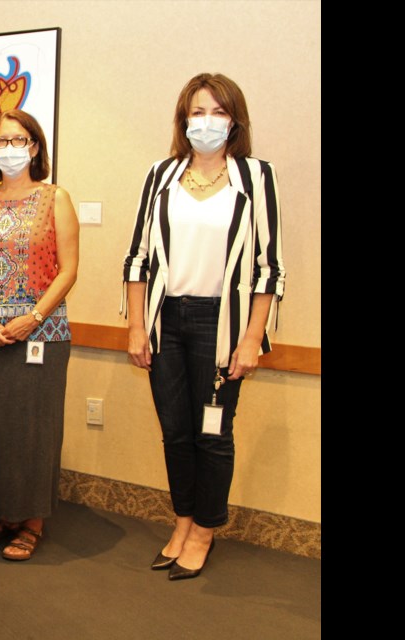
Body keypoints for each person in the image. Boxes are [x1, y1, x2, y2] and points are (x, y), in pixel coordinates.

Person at [123, 73, 285, 580]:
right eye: (198, 112)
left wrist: (253, 337)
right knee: (175, 433)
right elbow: (138, 258)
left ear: (234, 121)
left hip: (223, 323)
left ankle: (206, 530)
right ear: (183, 119)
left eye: (218, 112)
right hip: (164, 319)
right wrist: (135, 327)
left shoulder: (256, 177)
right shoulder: (161, 175)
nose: (207, 121)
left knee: (212, 433)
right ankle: (183, 521)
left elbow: (268, 266)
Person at [0, 109, 79, 561]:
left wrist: (34, 316)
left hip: (41, 335)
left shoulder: (56, 198)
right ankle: (1, 514)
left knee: (37, 431)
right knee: (1, 430)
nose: (9, 148)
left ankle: (31, 522)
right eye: (1, 141)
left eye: (18, 139)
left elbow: (68, 271)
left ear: (35, 146)